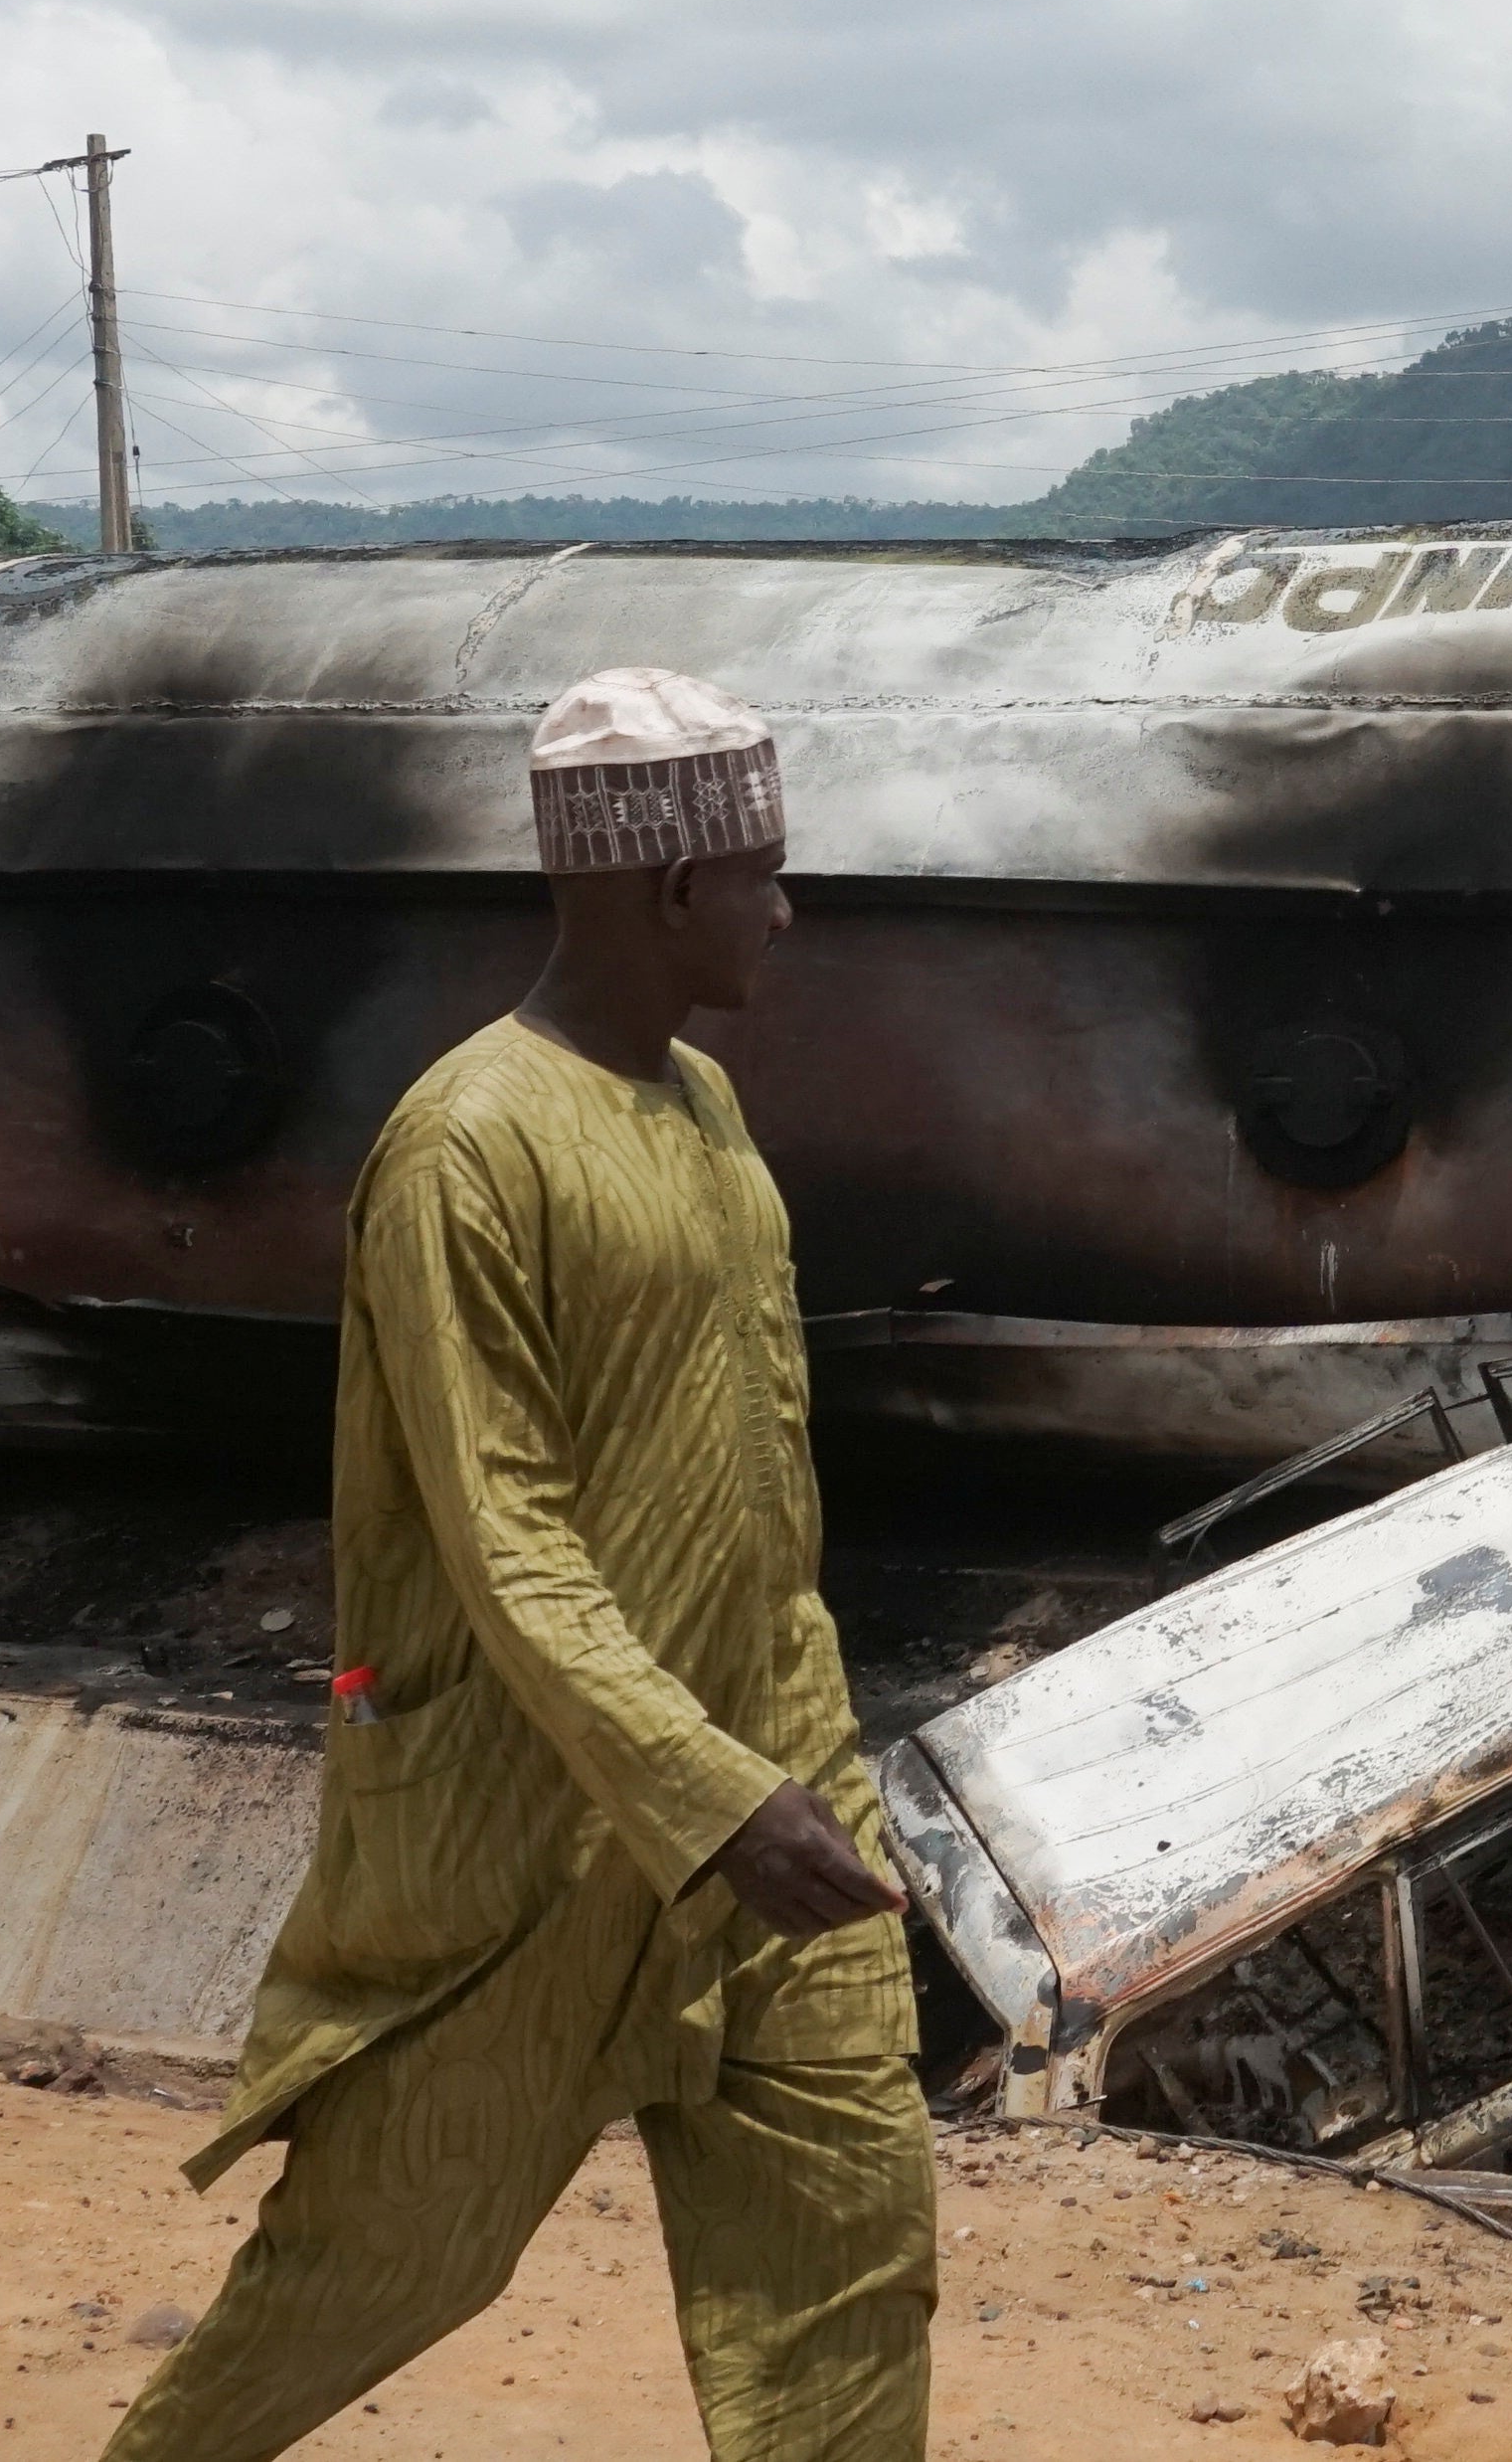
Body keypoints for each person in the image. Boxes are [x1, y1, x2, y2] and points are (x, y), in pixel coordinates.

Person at [105, 667, 929, 2462]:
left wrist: (796, 1762)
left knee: (849, 2250)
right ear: (665, 888)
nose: (787, 910)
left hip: (774, 1783)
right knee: (384, 2252)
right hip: (532, 1829)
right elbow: (506, 1542)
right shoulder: (465, 1144)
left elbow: (762, 1482)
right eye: (764, 872)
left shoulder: (704, 1100)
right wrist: (704, 1791)